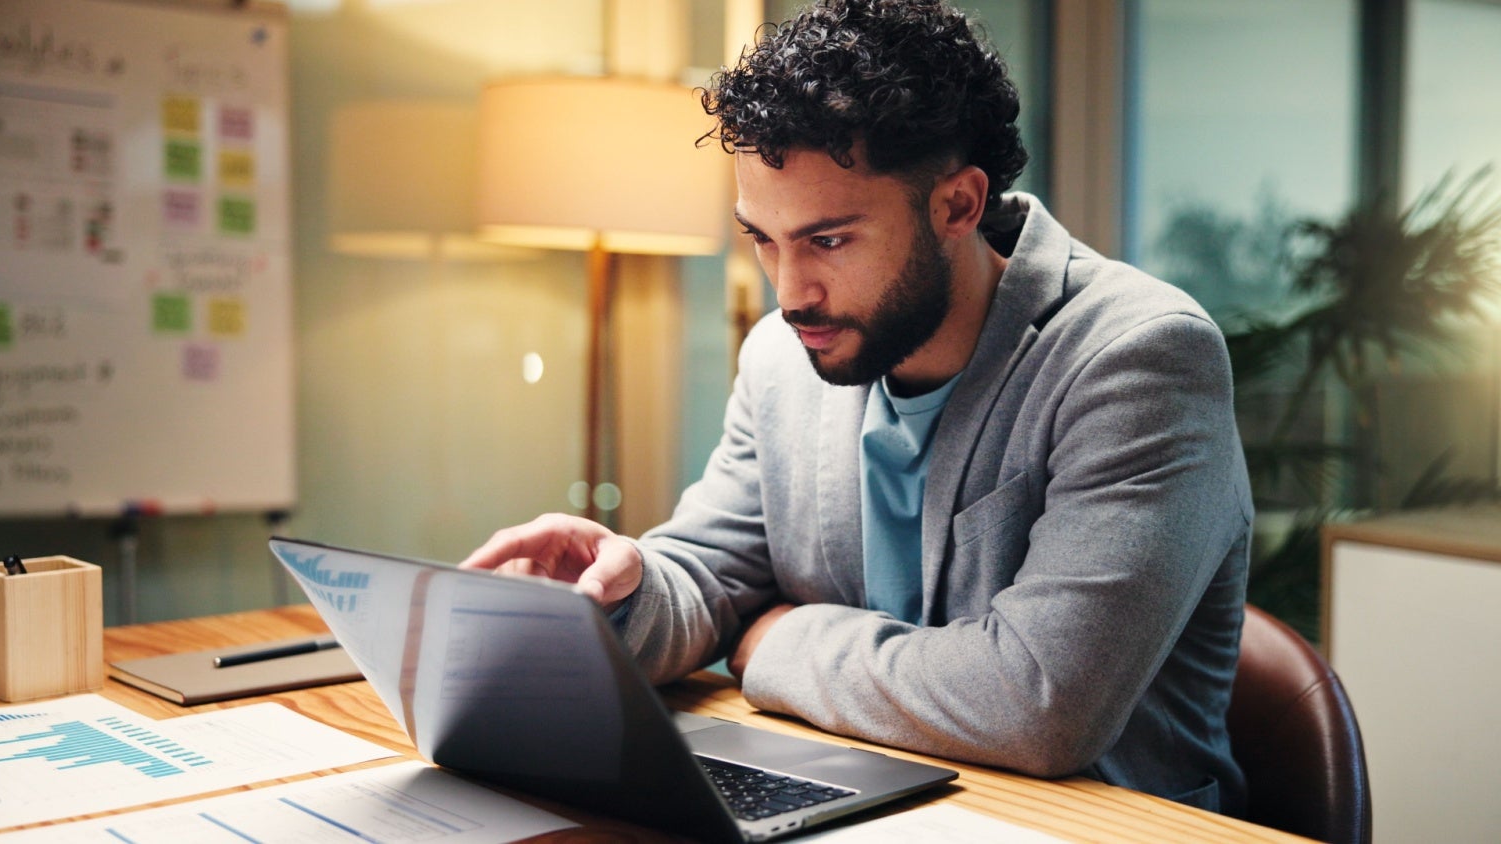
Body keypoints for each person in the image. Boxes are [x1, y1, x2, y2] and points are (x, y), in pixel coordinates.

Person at [461, 0, 1252, 815]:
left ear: (957, 206)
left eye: (828, 241)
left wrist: (777, 640)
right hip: (863, 797)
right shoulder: (784, 354)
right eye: (763, 238)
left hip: (1092, 826)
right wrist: (620, 595)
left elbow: (1041, 705)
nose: (790, 291)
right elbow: (712, 577)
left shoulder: (1139, 357)